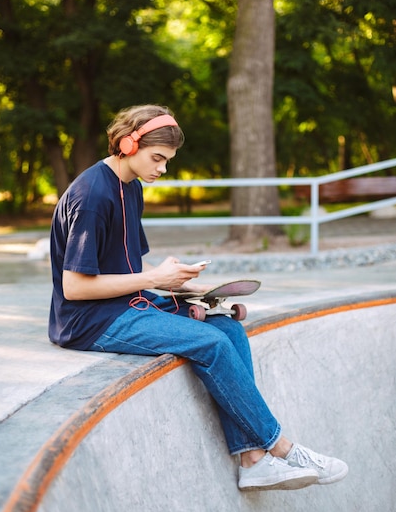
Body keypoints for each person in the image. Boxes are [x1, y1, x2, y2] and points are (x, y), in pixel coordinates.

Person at [49, 104, 348, 491]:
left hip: (125, 304)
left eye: (168, 161)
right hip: (87, 322)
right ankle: (282, 448)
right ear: (128, 144)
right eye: (157, 158)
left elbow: (126, 271)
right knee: (210, 343)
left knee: (228, 329)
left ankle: (252, 460)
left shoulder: (131, 187)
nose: (162, 168)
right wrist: (156, 277)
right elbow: (74, 287)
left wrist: (180, 284)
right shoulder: (92, 197)